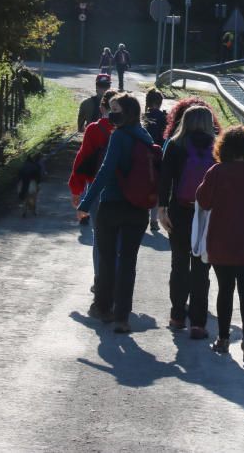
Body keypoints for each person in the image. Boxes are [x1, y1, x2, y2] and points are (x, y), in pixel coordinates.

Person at [77, 92, 157, 333]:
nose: (111, 114)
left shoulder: (119, 136)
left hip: (112, 205)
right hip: (138, 208)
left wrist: (85, 203)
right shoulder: (145, 136)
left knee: (108, 258)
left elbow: (105, 171)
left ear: (127, 112)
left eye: (115, 109)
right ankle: (122, 316)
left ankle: (102, 307)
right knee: (128, 262)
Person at [195, 126, 244, 362]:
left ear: (224, 148)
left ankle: (223, 339)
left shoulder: (217, 172)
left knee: (225, 290)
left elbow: (203, 200)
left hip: (222, 242)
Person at [158, 105, 216, 339]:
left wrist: (162, 209)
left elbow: (164, 179)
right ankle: (199, 323)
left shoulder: (174, 145)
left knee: (179, 265)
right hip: (207, 214)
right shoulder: (217, 147)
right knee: (201, 268)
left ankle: (177, 316)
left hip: (180, 211)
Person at [69, 89, 117, 274]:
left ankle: (100, 280)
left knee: (100, 237)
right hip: (122, 190)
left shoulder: (94, 129)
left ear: (101, 107)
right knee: (118, 239)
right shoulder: (129, 130)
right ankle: (116, 279)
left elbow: (82, 160)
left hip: (96, 189)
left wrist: (76, 190)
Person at [143, 88, 168, 232]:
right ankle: (153, 220)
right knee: (156, 189)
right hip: (159, 155)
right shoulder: (164, 118)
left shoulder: (144, 117)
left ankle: (144, 216)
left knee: (145, 186)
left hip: (144, 155)